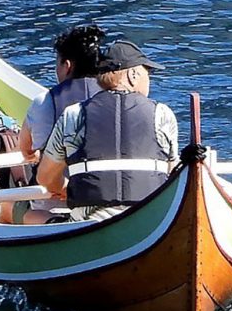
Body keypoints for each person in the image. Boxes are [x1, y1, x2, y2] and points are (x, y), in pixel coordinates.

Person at [36, 40, 179, 222]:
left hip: (87, 222)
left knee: (28, 213)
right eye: (147, 73)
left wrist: (64, 189)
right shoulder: (163, 114)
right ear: (133, 75)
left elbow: (45, 177)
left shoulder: (73, 114)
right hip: (151, 217)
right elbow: (173, 175)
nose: (148, 80)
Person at [5, 24, 105, 224]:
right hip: (103, 202)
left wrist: (33, 155)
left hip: (52, 206)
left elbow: (26, 150)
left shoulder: (44, 101)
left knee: (6, 206)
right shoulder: (113, 101)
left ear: (67, 65)